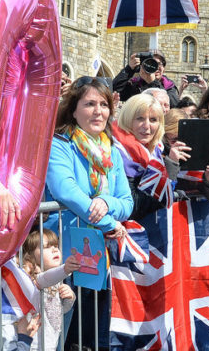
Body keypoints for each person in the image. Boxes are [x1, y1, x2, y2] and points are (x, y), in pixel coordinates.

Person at [44, 76, 133, 350]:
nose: (98, 111)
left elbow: (126, 201)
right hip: (63, 254)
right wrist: (108, 222)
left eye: (104, 105)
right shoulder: (59, 144)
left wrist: (106, 202)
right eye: (90, 104)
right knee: (60, 338)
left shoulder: (112, 151)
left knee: (90, 338)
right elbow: (65, 190)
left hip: (97, 259)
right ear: (73, 110)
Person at [112, 94, 180, 220]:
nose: (147, 125)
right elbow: (133, 205)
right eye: (140, 119)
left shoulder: (157, 148)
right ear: (127, 119)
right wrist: (171, 170)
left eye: (153, 120)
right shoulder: (118, 151)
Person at [20, 229, 79, 351]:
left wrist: (70, 298)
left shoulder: (58, 280)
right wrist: (65, 269)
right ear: (31, 256)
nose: (54, 250)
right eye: (46, 247)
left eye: (56, 246)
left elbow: (58, 311)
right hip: (34, 345)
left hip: (51, 343)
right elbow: (44, 279)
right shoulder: (32, 279)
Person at [111, 50, 180, 107]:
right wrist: (129, 69)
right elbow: (114, 90)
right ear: (142, 66)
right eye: (151, 64)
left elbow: (174, 106)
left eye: (158, 64)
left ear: (163, 68)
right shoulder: (135, 84)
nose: (156, 67)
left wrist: (152, 82)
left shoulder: (169, 86)